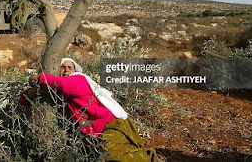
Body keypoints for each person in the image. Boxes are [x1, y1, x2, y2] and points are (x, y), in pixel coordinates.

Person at [19, 58, 157, 162]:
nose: (66, 69)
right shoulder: (58, 92)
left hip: (109, 126)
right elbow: (23, 101)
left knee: (114, 156)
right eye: (63, 67)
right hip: (95, 134)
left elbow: (66, 86)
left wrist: (38, 78)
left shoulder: (79, 79)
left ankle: (150, 158)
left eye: (70, 67)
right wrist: (32, 91)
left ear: (75, 70)